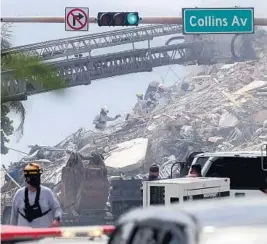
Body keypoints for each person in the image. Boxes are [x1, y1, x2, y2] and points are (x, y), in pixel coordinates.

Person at [10, 163, 62, 228]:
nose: (36, 179)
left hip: (45, 236)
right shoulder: (19, 194)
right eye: (34, 177)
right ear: (27, 178)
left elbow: (57, 209)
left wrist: (56, 220)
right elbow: (14, 217)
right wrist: (12, 234)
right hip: (24, 236)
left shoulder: (47, 193)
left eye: (37, 176)